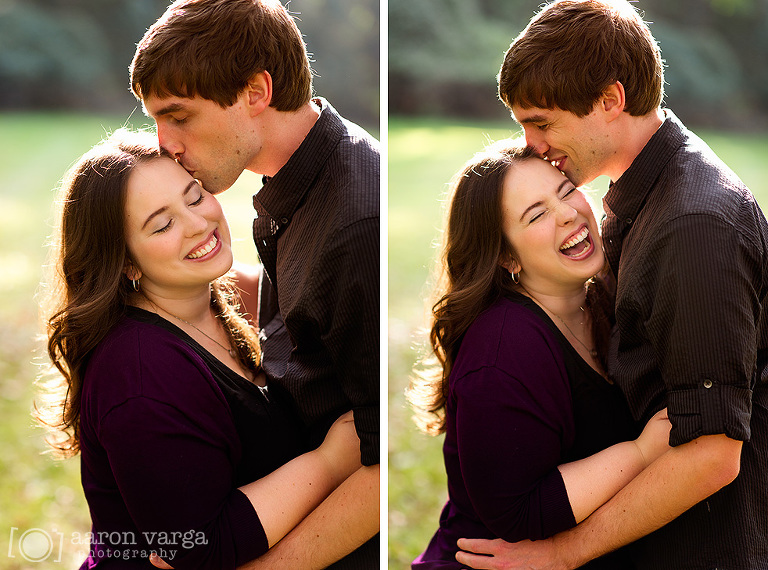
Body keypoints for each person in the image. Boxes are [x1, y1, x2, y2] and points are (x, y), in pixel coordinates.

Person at [455, 1, 768, 569]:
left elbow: (711, 456)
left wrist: (559, 556)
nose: (528, 143)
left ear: (610, 101)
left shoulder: (692, 225)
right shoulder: (640, 200)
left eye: (541, 122)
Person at [37, 129, 362, 569]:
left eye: (194, 197)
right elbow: (193, 547)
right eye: (163, 224)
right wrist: (329, 462)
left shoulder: (213, 299)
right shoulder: (139, 371)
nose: (198, 223)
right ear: (126, 261)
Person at [129, 1, 380, 568]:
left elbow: (380, 462)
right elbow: (301, 308)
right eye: (156, 120)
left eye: (180, 115)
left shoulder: (357, 222)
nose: (165, 141)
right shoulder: (294, 175)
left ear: (254, 92)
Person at [408, 141, 672, 570]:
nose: (567, 213)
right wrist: (642, 453)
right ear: (506, 256)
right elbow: (518, 513)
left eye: (566, 191)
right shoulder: (503, 350)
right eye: (537, 214)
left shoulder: (602, 296)